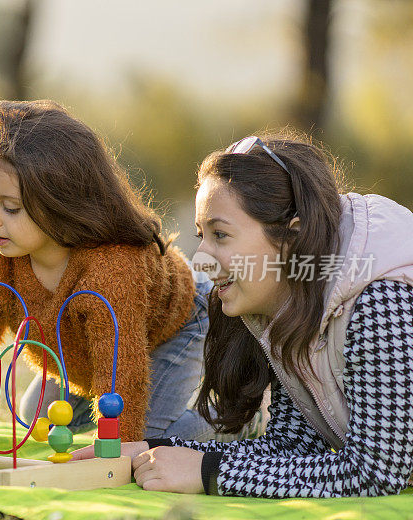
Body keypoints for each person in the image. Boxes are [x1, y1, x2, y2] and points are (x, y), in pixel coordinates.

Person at [75, 133, 413, 498]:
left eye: (221, 234)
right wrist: (150, 451)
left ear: (290, 237)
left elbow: (377, 473)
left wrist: (209, 473)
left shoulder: (379, 298)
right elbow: (294, 449)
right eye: (202, 235)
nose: (202, 257)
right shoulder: (291, 301)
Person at [0, 99, 223, 449]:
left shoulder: (114, 268)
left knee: (148, 444)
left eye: (11, 207)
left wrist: (117, 447)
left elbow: (121, 370)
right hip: (80, 351)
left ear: (60, 202)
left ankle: (233, 420)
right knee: (34, 417)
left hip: (172, 326)